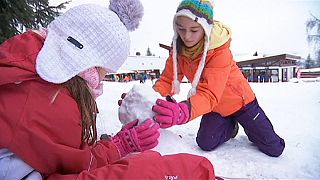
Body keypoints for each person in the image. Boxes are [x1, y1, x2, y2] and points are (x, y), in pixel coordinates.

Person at [0, 0, 215, 179]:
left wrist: (179, 108)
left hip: (232, 104)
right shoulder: (52, 98)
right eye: (105, 72)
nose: (187, 36)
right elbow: (74, 167)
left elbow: (212, 91)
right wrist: (149, 104)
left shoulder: (24, 65)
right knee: (150, 170)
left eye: (193, 30)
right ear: (91, 61)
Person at [152, 0, 285, 157]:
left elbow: (209, 93)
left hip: (242, 103)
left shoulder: (219, 51)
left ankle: (249, 125)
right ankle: (230, 126)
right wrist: (146, 98)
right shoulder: (178, 50)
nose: (186, 36)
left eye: (194, 30)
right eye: (181, 29)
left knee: (274, 148)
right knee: (205, 143)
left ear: (206, 29)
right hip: (215, 108)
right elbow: (168, 80)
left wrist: (183, 111)